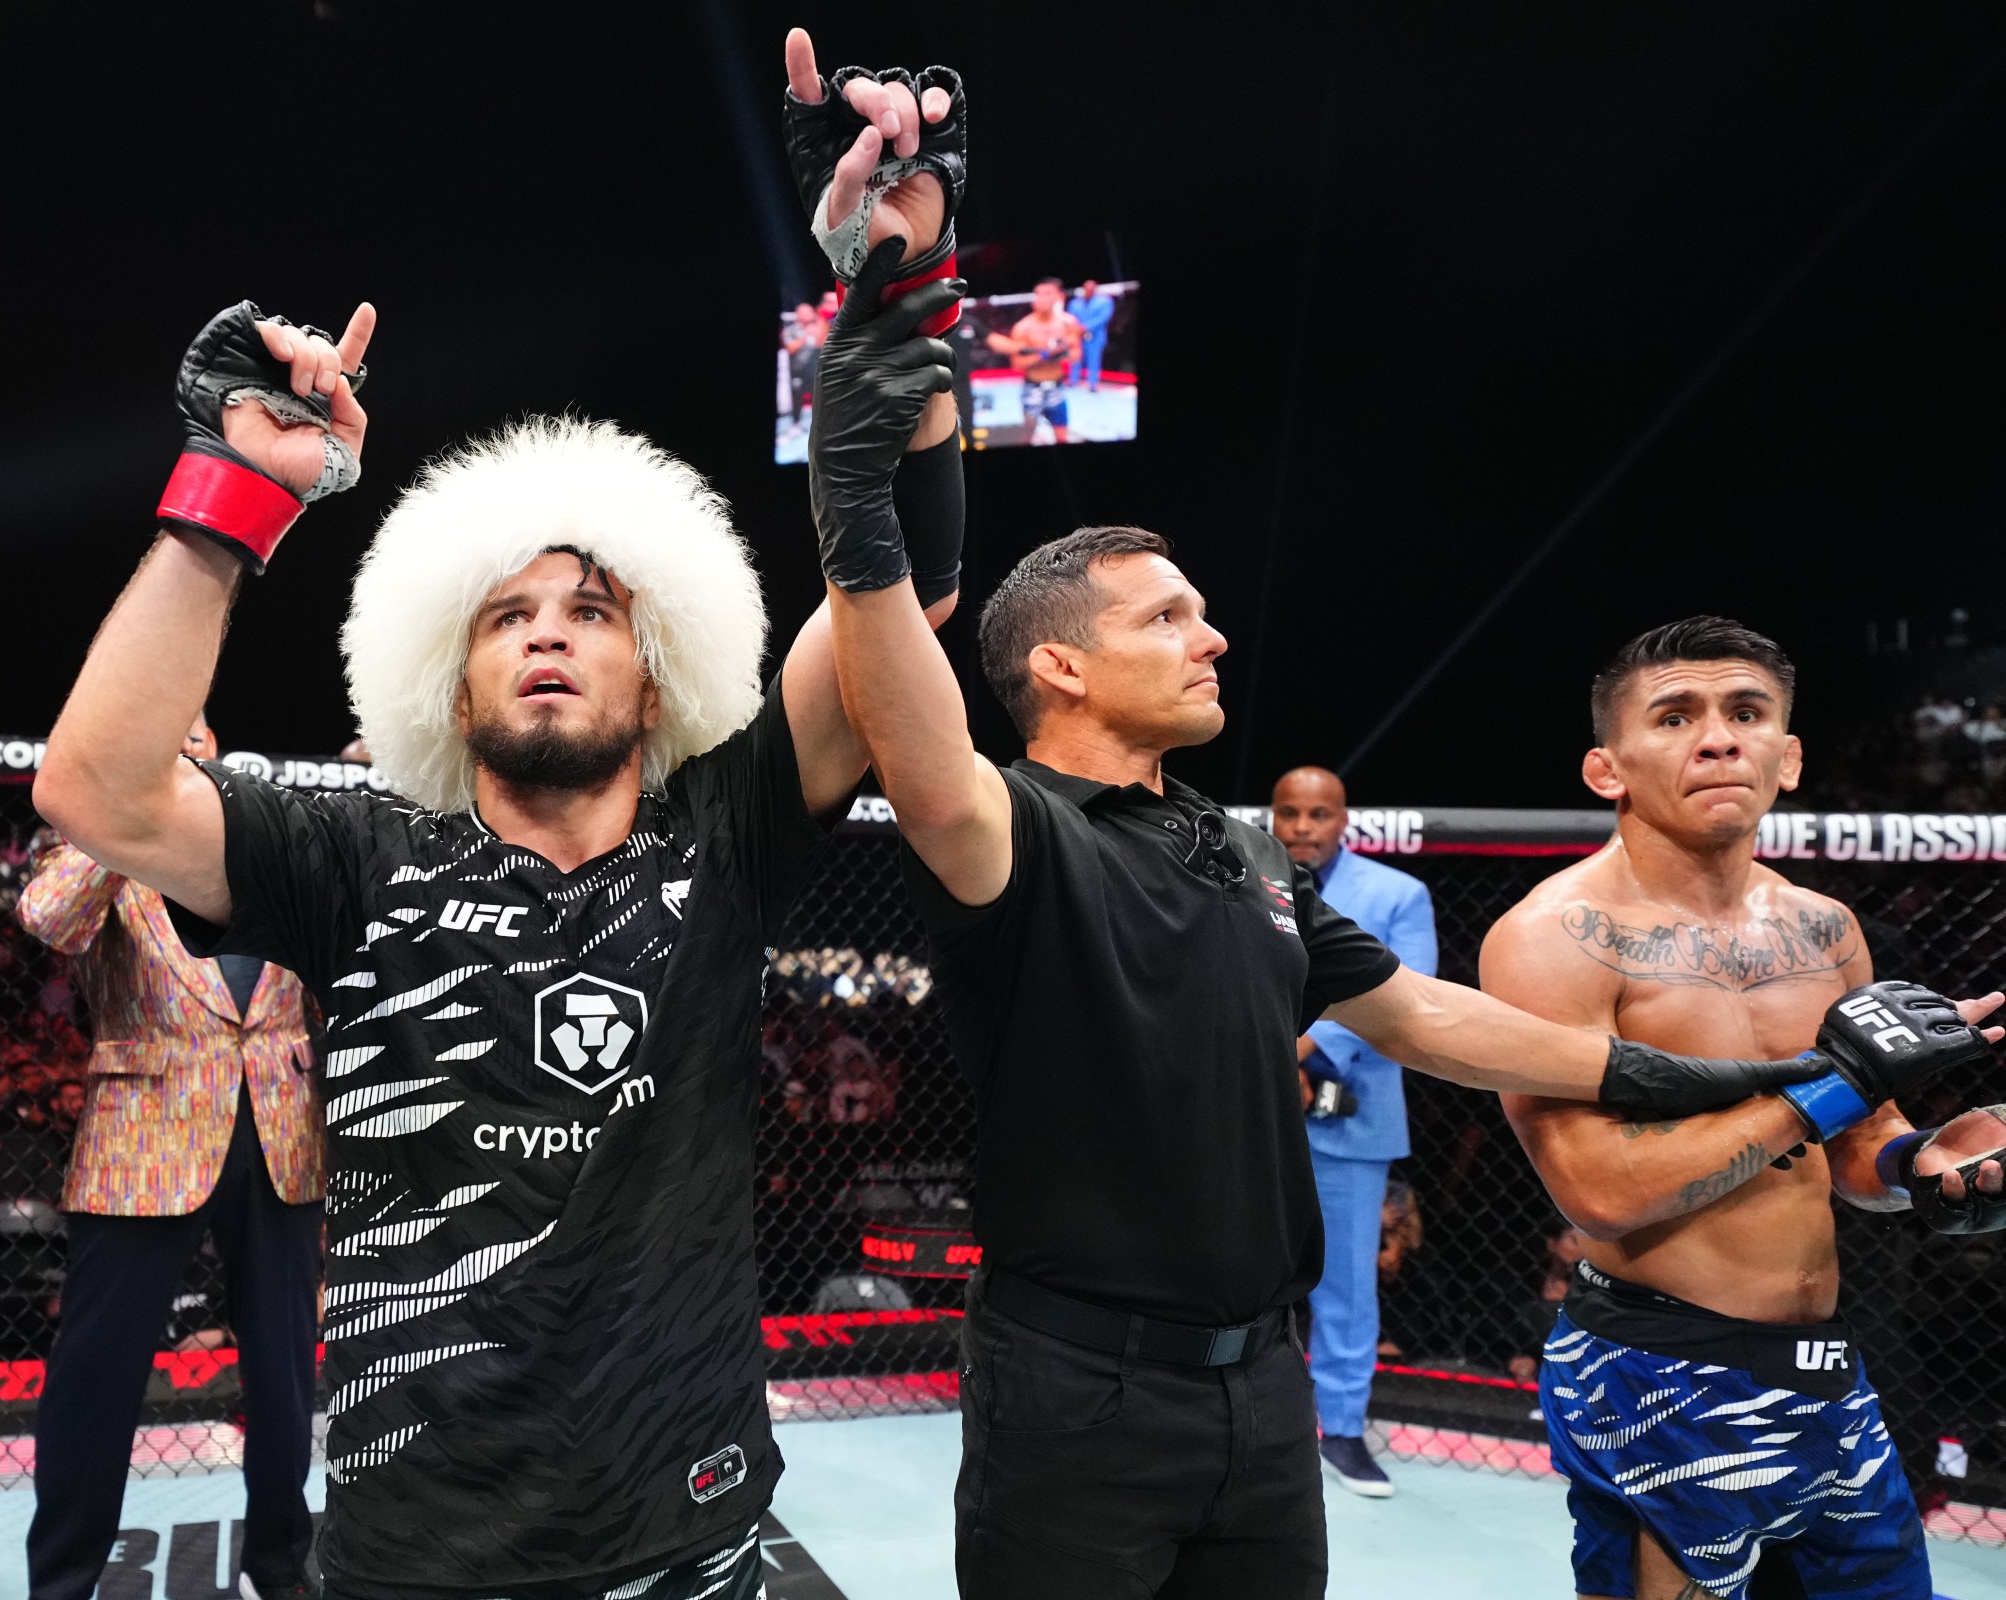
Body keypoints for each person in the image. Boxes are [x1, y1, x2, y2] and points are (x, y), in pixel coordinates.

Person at [787, 43, 1985, 1589]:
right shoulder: (1003, 831)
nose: (1214, 639)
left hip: (1261, 1387)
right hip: (1076, 1385)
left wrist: (1713, 1072)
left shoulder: (1240, 853)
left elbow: (1431, 1018)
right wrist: (889, 325)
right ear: (1063, 666)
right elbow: (891, 651)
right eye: (1169, 619)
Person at [33, 67, 968, 1588]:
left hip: (689, 1520)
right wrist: (229, 499)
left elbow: (908, 605)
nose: (549, 634)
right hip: (419, 1544)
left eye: (591, 609)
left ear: (656, 656)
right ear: (443, 672)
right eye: (507, 616)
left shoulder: (725, 827)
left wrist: (901, 287)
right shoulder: (359, 849)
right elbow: (98, 791)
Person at [1483, 616, 2006, 1600]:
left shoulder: (1825, 928)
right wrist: (1836, 1087)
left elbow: (1860, 1147)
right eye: (1676, 715)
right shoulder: (1553, 939)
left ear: (1789, 755)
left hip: (1824, 1369)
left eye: (1747, 712)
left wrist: (1933, 1168)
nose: (1720, 737)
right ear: (1608, 769)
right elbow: (1601, 1190)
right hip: (1658, 1370)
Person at [18, 713, 327, 1600]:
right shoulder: (96, 842)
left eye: (195, 733)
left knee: (283, 1373)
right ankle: (64, 1580)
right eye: (161, 733)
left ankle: (279, 1562)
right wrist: (123, 815)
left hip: (279, 1128)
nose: (181, 745)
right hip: (144, 1139)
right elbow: (48, 920)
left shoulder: (262, 835)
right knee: (96, 1376)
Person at [1268, 763, 1437, 1498]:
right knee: (1235, 1271)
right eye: (1290, 812)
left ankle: (1340, 1430)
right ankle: (1248, 1423)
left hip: (1351, 1110)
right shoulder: (1244, 879)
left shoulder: (1398, 894)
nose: (1303, 826)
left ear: (1343, 820)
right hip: (1246, 1105)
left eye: (1318, 813)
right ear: (1273, 818)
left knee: (1345, 1287)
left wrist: (1300, 1053)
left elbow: (1405, 993)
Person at [984, 278, 1084, 444]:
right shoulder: (1024, 327)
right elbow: (1017, 364)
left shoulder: (1067, 323)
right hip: (1033, 389)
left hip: (1057, 388)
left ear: (1058, 297)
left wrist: (1063, 350)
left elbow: (1076, 356)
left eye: (1048, 293)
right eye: (1039, 294)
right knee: (1027, 436)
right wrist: (1045, 355)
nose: (1042, 298)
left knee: (1062, 437)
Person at [1067, 278, 1116, 391]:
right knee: (1075, 358)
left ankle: (1092, 384)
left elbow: (1103, 317)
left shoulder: (1105, 301)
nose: (1088, 290)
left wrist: (1086, 327)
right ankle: (1073, 380)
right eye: (1086, 288)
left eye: (1091, 288)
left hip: (1095, 336)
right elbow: (1070, 317)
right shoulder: (1075, 303)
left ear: (1095, 289)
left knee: (1094, 360)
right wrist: (1076, 328)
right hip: (1077, 335)